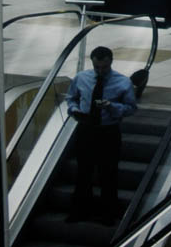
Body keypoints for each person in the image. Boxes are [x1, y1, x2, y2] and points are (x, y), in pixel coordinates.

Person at [65, 46, 137, 225]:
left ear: (111, 62)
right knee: (84, 171)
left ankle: (108, 213)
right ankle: (80, 210)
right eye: (97, 67)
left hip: (108, 131)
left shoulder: (123, 82)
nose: (100, 71)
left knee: (108, 172)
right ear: (92, 63)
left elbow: (131, 108)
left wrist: (112, 106)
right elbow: (71, 98)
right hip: (86, 128)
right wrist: (74, 110)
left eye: (104, 67)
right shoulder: (82, 78)